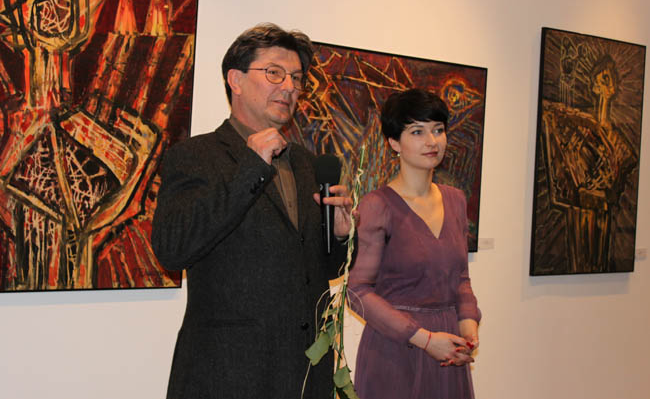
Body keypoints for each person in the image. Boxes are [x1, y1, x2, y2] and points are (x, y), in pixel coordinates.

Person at [151, 23, 353, 399]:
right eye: (275, 72)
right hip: (227, 374)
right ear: (236, 80)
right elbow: (172, 249)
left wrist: (339, 238)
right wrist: (252, 166)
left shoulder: (307, 164)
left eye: (296, 78)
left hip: (303, 376)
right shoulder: (195, 156)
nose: (289, 87)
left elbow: (318, 272)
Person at [348, 88, 481, 399]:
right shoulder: (377, 205)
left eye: (438, 130)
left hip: (448, 348)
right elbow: (357, 290)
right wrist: (424, 338)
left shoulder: (455, 200)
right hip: (396, 350)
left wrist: (468, 327)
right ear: (394, 142)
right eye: (418, 132)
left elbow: (460, 277)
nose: (432, 141)